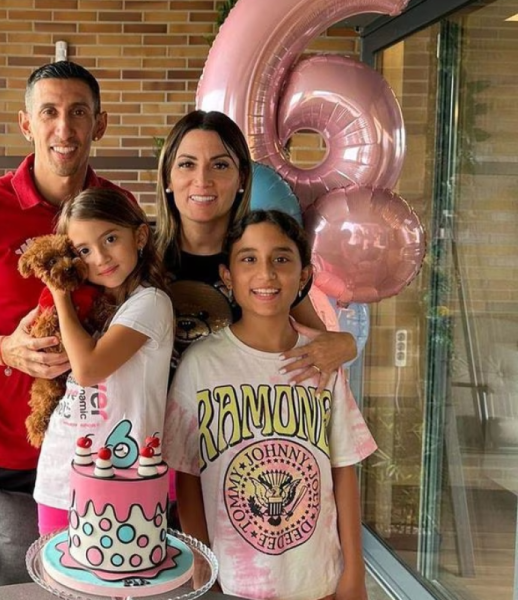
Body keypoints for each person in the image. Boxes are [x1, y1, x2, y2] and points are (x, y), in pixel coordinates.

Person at [0, 61, 133, 584]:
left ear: (99, 124)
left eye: (78, 113)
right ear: (26, 123)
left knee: (76, 587)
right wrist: (3, 349)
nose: (64, 128)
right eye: (49, 112)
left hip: (88, 447)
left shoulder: (119, 209)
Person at [163, 210, 377, 600]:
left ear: (304, 275)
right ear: (228, 276)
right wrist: (203, 564)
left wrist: (354, 571)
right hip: (233, 581)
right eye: (249, 259)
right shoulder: (201, 364)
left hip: (316, 579)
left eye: (281, 258)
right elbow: (187, 476)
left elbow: (343, 469)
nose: (266, 273)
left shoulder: (322, 362)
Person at [154, 110, 356, 386]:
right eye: (187, 164)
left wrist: (346, 344)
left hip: (238, 409)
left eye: (220, 165)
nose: (202, 180)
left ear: (242, 178)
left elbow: (320, 344)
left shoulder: (263, 258)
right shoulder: (140, 255)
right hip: (149, 413)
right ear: (168, 177)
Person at [34, 188, 174, 535]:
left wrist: (59, 293)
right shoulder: (93, 305)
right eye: (83, 250)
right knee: (56, 569)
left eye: (110, 239)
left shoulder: (151, 303)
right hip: (60, 470)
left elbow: (87, 369)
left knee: (120, 568)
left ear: (139, 237)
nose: (100, 258)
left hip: (125, 476)